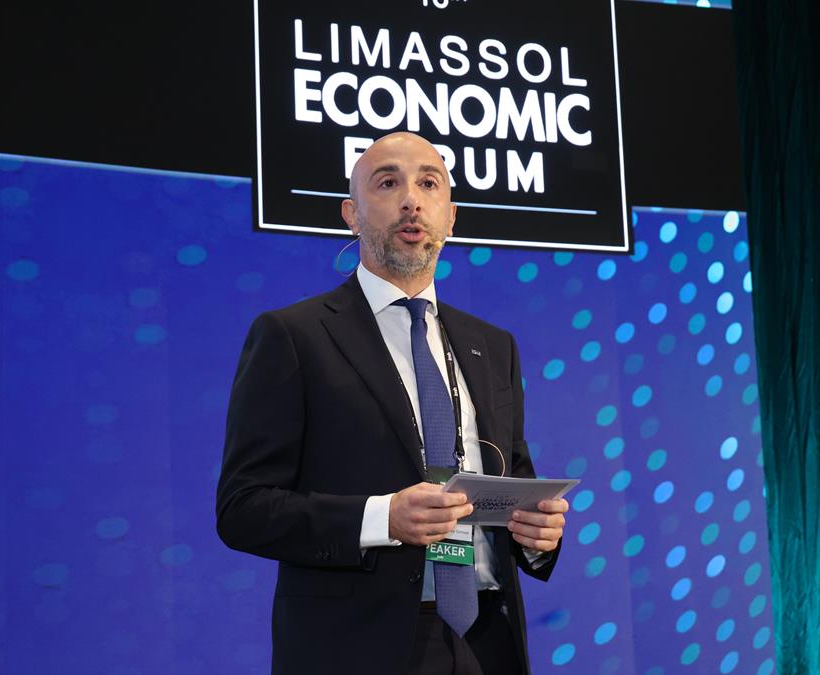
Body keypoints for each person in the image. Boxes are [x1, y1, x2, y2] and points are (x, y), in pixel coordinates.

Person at [216, 132, 568, 675]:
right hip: (356, 647)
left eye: (428, 184)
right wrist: (383, 518)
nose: (411, 201)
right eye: (387, 183)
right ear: (351, 215)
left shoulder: (493, 346)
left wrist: (537, 538)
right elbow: (243, 510)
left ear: (451, 217)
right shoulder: (294, 336)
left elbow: (514, 480)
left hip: (487, 640)